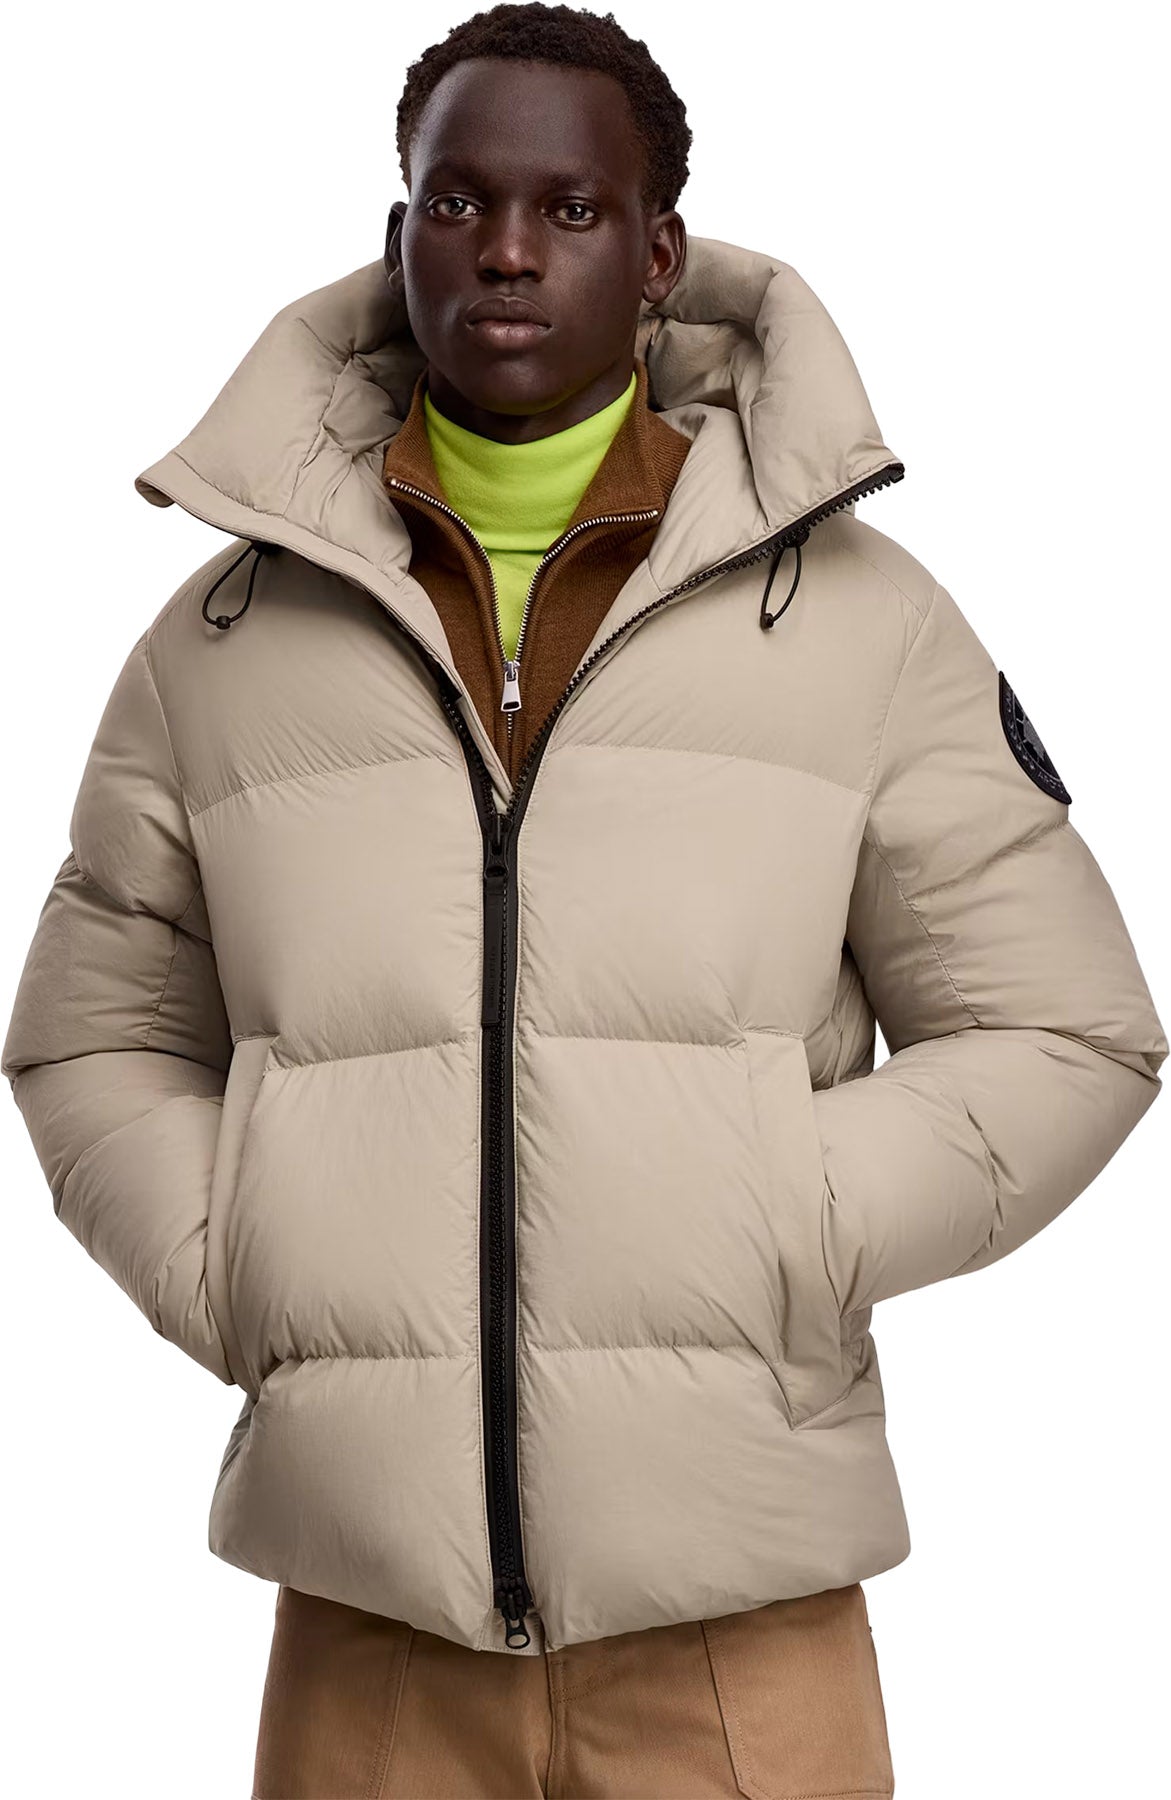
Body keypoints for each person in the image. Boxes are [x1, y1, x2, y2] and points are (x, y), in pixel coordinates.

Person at [3, 2, 1166, 1795]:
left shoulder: (860, 623)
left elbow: (1068, 1028)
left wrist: (787, 1219)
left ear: (659, 253)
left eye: (568, 207)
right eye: (457, 201)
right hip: (369, 1639)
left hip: (743, 1633)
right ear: (400, 234)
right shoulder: (223, 643)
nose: (507, 250)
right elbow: (89, 1038)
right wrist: (246, 1257)